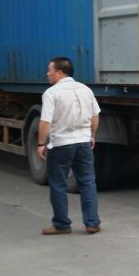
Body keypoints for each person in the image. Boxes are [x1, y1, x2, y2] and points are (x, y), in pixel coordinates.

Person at [37, 57, 102, 235]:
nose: (47, 73)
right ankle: (92, 223)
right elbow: (95, 116)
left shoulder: (51, 93)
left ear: (59, 72)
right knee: (87, 182)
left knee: (58, 184)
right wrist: (91, 135)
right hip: (83, 143)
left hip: (61, 144)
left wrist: (41, 143)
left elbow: (45, 122)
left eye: (50, 70)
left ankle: (61, 225)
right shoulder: (85, 89)